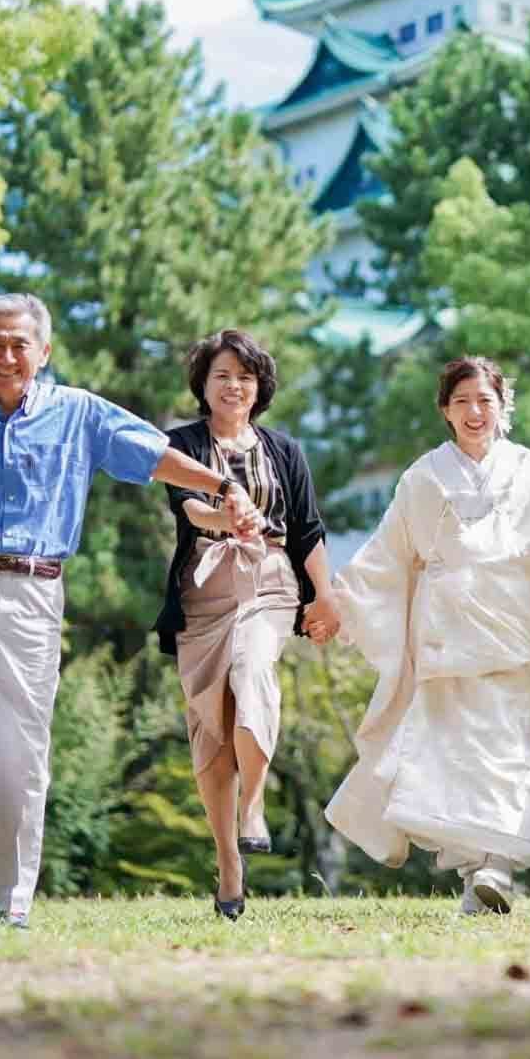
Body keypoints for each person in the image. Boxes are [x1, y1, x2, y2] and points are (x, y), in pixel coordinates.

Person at [0, 294, 261, 929]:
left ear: (44, 352)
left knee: (24, 746)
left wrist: (222, 485)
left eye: (20, 345)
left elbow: (153, 454)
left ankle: (11, 905)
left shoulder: (78, 413)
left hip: (36, 588)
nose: (7, 356)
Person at [322, 358, 530, 916]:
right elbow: (386, 556)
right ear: (445, 411)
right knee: (450, 759)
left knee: (505, 751)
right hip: (444, 634)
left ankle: (497, 865)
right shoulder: (423, 477)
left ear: (504, 406)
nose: (475, 412)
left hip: (512, 631)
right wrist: (337, 605)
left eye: (485, 400)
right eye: (462, 402)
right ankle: (479, 873)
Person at [154, 329, 340, 921]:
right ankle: (229, 860)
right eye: (222, 376)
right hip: (204, 590)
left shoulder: (284, 451)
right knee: (212, 728)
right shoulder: (181, 444)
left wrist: (327, 597)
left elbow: (308, 529)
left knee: (253, 667)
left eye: (245, 377)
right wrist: (224, 512)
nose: (234, 386)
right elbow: (189, 506)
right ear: (203, 386)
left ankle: (253, 805)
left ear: (259, 388)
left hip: (269, 581)